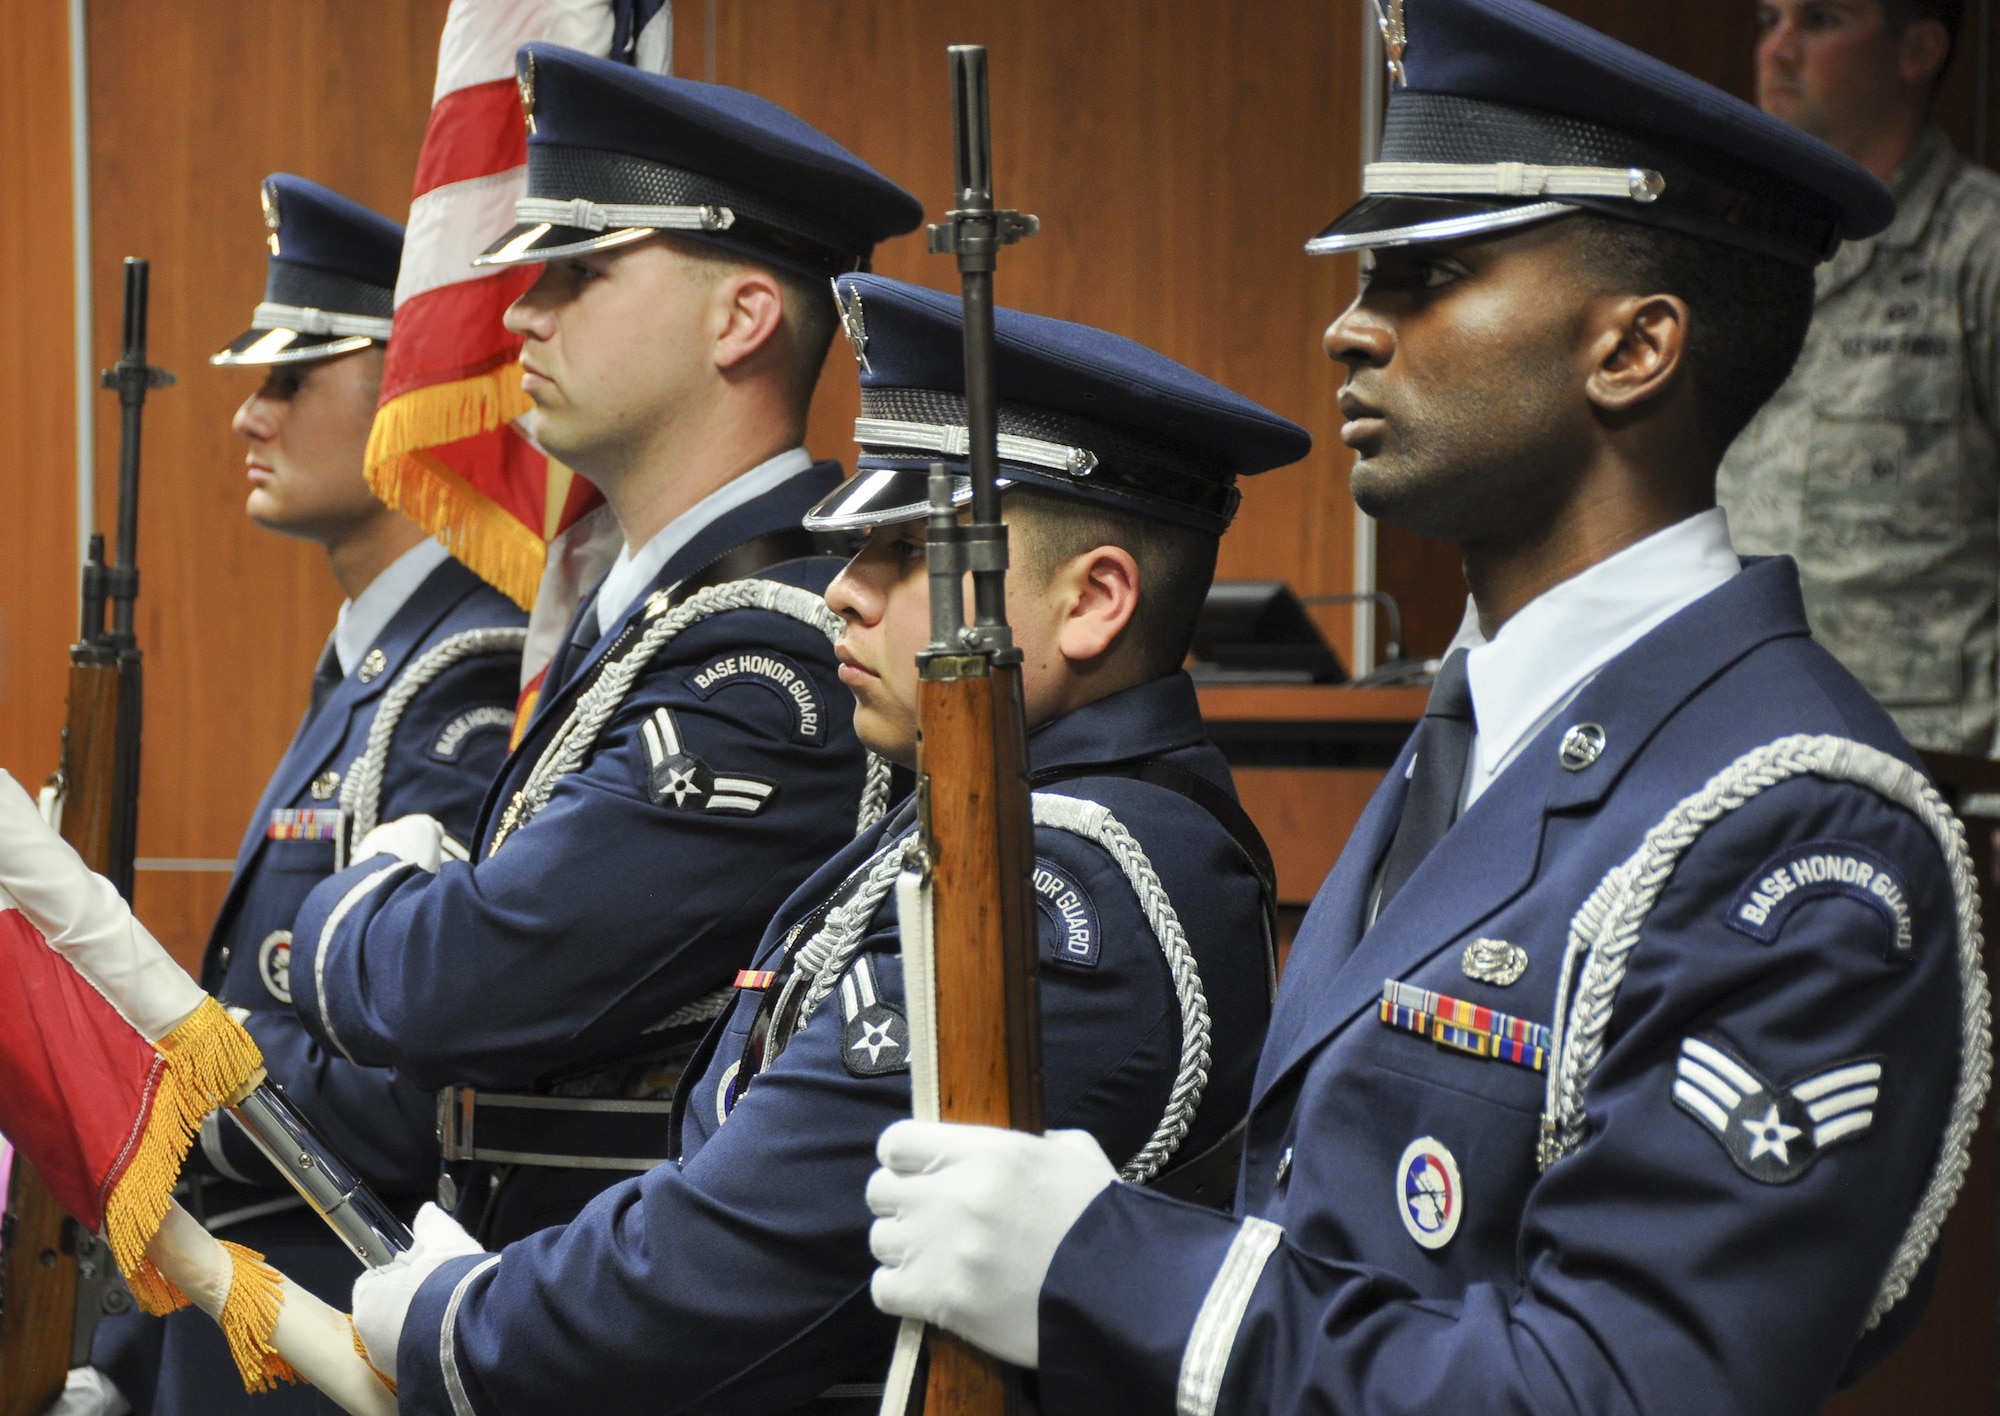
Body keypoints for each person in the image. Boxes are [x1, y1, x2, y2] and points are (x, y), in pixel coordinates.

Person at [861, 2, 1990, 1413]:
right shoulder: (1484, 732)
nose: (1349, 327)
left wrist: (1111, 1265)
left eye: (1424, 276)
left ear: (1632, 350)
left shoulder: (1792, 824)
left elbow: (1617, 1392)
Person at [337, 273, 1309, 1414]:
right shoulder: (978, 811)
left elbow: (734, 1261)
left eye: (904, 552)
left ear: (1091, 601)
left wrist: (461, 1317)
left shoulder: (1067, 879)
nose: (841, 590)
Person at [280, 45, 925, 1247]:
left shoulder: (780, 657)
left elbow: (452, 983)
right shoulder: (640, 614)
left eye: (576, 271)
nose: (518, 310)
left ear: (740, 318)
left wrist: (355, 892)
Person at [83, 175, 527, 1416]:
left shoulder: (466, 674)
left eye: (292, 377)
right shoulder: (379, 661)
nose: (246, 416)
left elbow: (415, 1087)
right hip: (253, 1303)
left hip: (340, 1316)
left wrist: (159, 1088)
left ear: (414, 387)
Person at [1720, 0, 2000, 755]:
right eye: (1768, 20)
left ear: (1918, 49)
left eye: (1818, 20)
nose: (1778, 50)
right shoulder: (1740, 253)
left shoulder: (1980, 247)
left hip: (1933, 766)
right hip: (1746, 746)